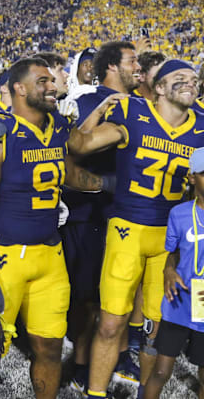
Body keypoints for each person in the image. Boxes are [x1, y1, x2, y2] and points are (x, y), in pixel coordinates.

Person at [0, 57, 107, 399]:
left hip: (50, 254)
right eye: (43, 81)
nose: (52, 87)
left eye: (52, 80)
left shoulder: (57, 125)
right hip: (4, 257)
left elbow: (71, 166)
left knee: (49, 347)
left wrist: (111, 183)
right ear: (19, 87)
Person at [74, 59, 204, 399]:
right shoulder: (133, 112)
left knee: (155, 329)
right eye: (180, 78)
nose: (191, 83)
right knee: (111, 322)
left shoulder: (202, 126)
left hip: (171, 239)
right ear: (159, 87)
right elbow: (80, 145)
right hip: (127, 229)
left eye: (194, 79)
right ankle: (96, 393)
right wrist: (101, 109)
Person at [62, 40, 143, 392]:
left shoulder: (143, 105)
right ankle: (81, 365)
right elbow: (67, 154)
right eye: (132, 60)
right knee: (89, 300)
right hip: (90, 212)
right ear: (111, 66)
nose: (138, 66)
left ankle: (120, 355)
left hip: (129, 216)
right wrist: (106, 183)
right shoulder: (83, 101)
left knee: (121, 296)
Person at [143, 147, 204, 398]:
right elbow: (173, 252)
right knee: (160, 371)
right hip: (180, 297)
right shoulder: (179, 214)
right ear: (192, 177)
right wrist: (169, 270)